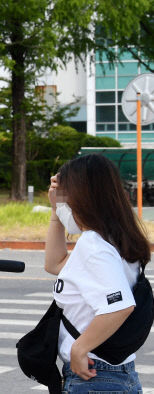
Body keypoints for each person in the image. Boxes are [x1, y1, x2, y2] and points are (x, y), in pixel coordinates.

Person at [45, 154, 150, 393]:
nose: (64, 204)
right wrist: (56, 212)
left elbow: (120, 305)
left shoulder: (94, 244)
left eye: (66, 197)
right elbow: (55, 264)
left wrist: (79, 348)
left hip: (95, 376)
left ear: (82, 198)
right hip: (112, 375)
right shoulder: (114, 239)